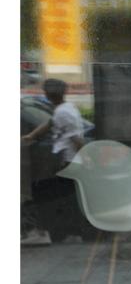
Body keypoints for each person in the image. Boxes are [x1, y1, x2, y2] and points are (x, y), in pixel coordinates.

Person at [21, 79, 86, 242]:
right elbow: (50, 123)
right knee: (64, 198)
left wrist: (88, 159)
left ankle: (70, 233)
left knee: (63, 199)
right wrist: (31, 136)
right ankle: (67, 232)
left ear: (48, 95)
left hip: (69, 162)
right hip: (68, 160)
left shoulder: (63, 112)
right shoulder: (64, 109)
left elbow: (76, 139)